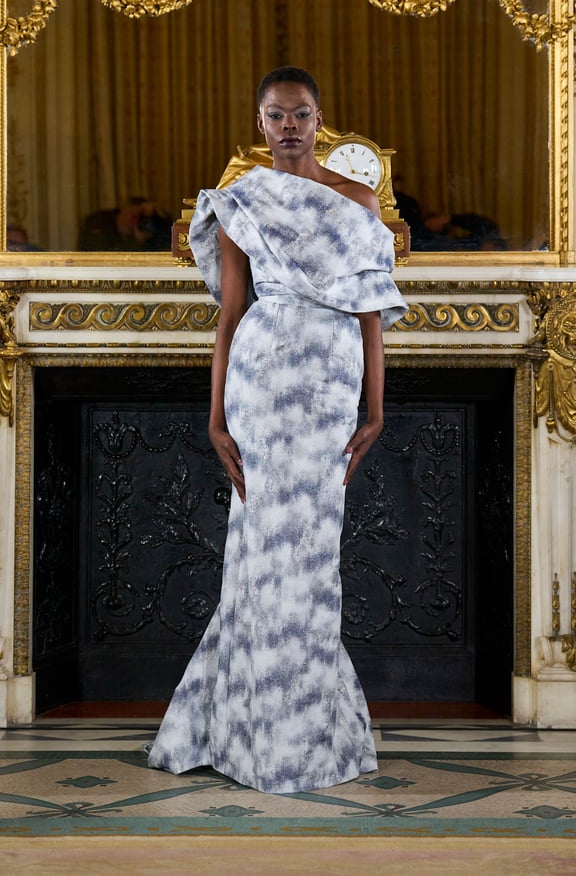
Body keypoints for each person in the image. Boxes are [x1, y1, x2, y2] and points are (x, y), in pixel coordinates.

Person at [146, 66, 408, 794]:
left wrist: (376, 408)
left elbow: (371, 313)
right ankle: (248, 733)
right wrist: (215, 415)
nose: (288, 126)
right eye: (275, 115)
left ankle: (309, 736)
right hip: (260, 382)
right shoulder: (240, 202)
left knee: (313, 560)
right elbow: (230, 315)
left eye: (300, 114)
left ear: (319, 120)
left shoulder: (358, 200)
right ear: (259, 122)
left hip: (330, 383)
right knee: (260, 554)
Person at [79, 197, 172, 251]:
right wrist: (135, 243)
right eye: (134, 216)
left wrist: (161, 214)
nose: (135, 221)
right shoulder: (100, 223)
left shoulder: (148, 236)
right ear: (125, 207)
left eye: (141, 218)